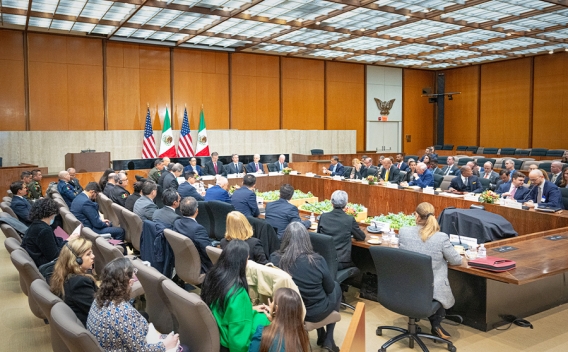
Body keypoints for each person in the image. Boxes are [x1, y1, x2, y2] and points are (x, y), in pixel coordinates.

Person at [270, 223, 342, 352]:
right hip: (315, 312)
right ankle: (329, 340)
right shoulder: (317, 260)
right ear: (306, 239)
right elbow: (330, 288)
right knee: (336, 287)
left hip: (289, 310)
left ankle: (322, 334)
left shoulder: (275, 258)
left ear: (285, 238)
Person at [398, 202, 462, 340]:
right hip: (431, 288)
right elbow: (456, 261)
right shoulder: (441, 237)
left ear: (417, 216)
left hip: (406, 285)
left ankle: (423, 319)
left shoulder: (403, 232)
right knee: (437, 279)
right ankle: (436, 324)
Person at [87, 257, 179, 351]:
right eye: (134, 273)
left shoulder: (99, 298)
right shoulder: (123, 313)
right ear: (130, 282)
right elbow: (141, 350)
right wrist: (165, 345)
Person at [201, 240, 271, 352]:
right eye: (247, 259)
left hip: (219, 329)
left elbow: (225, 309)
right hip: (229, 342)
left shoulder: (213, 276)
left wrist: (250, 309)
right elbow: (239, 343)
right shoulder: (238, 293)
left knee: (261, 316)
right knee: (270, 324)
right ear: (242, 262)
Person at [50, 237, 97, 326]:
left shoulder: (63, 275)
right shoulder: (79, 283)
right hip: (92, 326)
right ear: (77, 260)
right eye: (88, 254)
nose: (93, 256)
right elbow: (98, 310)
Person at [21, 198, 79, 267]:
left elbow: (53, 245)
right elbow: (55, 256)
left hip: (40, 260)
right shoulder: (44, 230)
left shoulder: (36, 224)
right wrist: (69, 242)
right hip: (46, 265)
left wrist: (68, 240)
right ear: (51, 213)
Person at [248, 287, 310, 352]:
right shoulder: (302, 336)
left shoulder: (262, 333)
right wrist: (275, 318)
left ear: (277, 309)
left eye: (272, 301)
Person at [317, 190, 365, 269]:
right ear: (346, 204)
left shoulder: (323, 217)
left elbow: (319, 235)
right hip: (341, 261)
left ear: (331, 203)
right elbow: (361, 237)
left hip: (323, 259)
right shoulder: (349, 219)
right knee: (360, 266)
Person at [173, 197, 213, 273]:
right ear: (196, 211)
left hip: (182, 262)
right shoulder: (198, 229)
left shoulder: (176, 223)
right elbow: (208, 252)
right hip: (200, 267)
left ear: (181, 210)